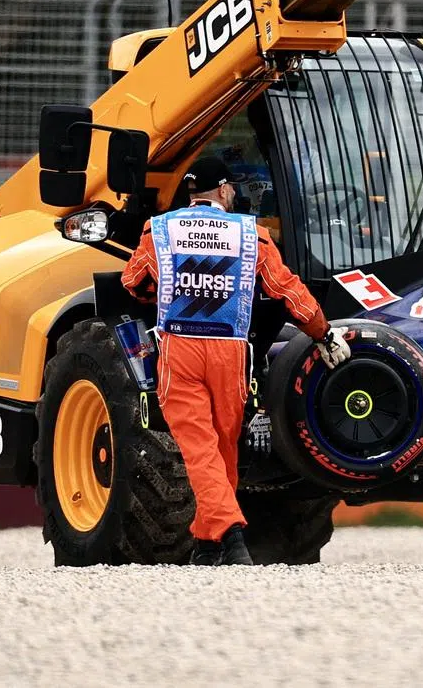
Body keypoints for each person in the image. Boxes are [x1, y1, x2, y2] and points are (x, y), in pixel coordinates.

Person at [122, 155, 351, 565]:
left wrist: (164, 293)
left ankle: (228, 534)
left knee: (198, 446)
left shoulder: (159, 229)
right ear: (225, 191)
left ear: (190, 193)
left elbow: (134, 281)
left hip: (182, 346)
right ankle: (210, 544)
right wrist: (323, 333)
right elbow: (287, 291)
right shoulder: (252, 234)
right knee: (223, 446)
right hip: (231, 350)